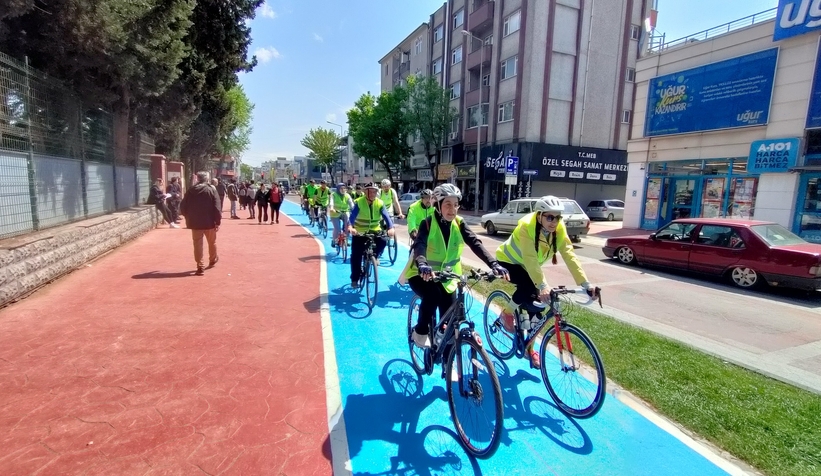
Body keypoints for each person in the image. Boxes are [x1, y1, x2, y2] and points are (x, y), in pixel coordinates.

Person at [495, 195, 597, 369]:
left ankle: (529, 348)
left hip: (529, 267)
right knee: (528, 286)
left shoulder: (559, 229)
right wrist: (542, 285)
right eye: (550, 217)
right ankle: (507, 313)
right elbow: (530, 258)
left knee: (537, 308)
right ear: (540, 215)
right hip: (508, 261)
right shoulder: (527, 226)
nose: (554, 222)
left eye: (557, 217)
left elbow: (569, 255)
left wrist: (585, 284)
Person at [405, 184, 507, 348]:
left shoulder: (459, 223)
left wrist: (494, 264)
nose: (453, 209)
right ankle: (420, 331)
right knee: (433, 295)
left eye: (456, 204)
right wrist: (422, 263)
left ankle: (448, 363)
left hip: (448, 278)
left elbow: (475, 243)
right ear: (438, 205)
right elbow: (420, 245)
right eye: (447, 204)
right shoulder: (428, 223)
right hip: (421, 275)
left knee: (453, 321)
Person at [347, 182, 395, 288]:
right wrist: (351, 227)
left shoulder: (379, 203)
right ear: (365, 192)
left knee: (383, 241)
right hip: (359, 232)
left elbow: (387, 217)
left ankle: (374, 256)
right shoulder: (359, 202)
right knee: (356, 255)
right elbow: (351, 218)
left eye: (375, 191)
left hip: (375, 230)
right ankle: (355, 278)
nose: (373, 194)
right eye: (371, 191)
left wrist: (391, 228)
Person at [180, 172, 221, 275]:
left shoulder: (191, 190)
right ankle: (212, 259)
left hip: (195, 223)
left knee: (197, 244)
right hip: (209, 222)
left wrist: (188, 217)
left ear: (197, 179)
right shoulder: (211, 189)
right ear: (207, 179)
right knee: (212, 242)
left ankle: (200, 266)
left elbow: (183, 206)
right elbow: (217, 206)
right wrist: (218, 221)